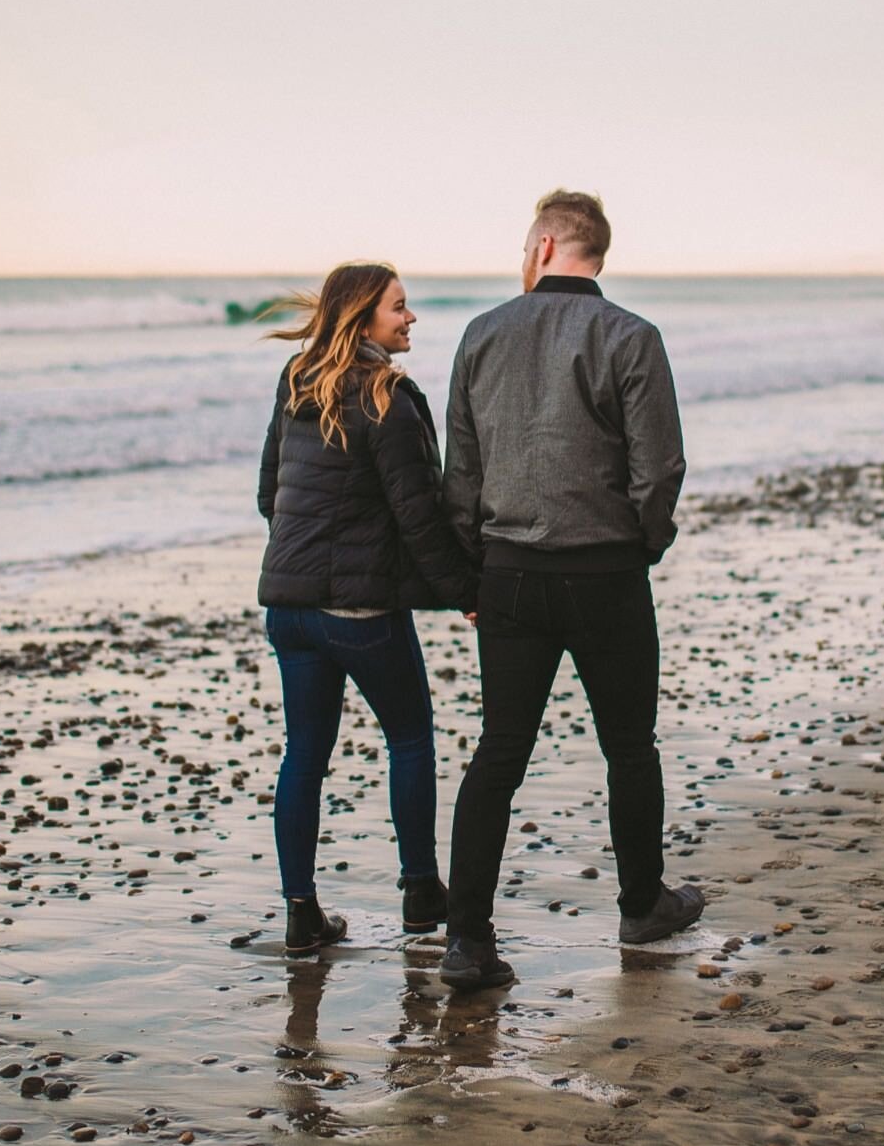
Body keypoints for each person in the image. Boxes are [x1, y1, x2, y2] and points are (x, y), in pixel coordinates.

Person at [437, 191, 703, 990]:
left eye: (526, 246)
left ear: (546, 243)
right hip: (607, 574)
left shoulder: (481, 334)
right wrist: (642, 545)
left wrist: (469, 572)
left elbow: (462, 475)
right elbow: (660, 468)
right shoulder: (631, 335)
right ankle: (640, 904)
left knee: (499, 754)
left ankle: (466, 941)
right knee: (629, 747)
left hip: (509, 575)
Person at [256, 263, 477, 955]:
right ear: (363, 317)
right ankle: (419, 893)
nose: (410, 319)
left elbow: (271, 495)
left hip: (288, 609)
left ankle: (301, 914)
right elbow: (420, 517)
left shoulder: (297, 382)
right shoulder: (387, 395)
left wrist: (309, 559)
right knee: (410, 737)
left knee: (304, 755)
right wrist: (467, 593)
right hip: (359, 613)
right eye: (399, 309)